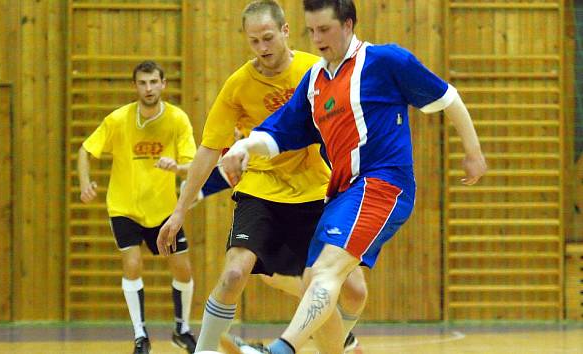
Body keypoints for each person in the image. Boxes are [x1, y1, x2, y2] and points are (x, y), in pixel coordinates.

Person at [219, 0, 488, 353]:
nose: (317, 39)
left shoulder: (386, 61)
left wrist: (473, 153)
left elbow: (447, 98)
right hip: (342, 193)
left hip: (383, 183)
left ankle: (279, 351)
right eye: (311, 30)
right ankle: (341, 348)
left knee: (326, 272)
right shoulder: (315, 79)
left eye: (325, 30)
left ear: (348, 25)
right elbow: (281, 130)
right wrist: (244, 148)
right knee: (319, 281)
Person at [156, 1, 368, 353]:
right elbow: (209, 149)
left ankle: (338, 341)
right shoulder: (239, 85)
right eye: (253, 41)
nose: (262, 48)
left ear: (285, 31)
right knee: (234, 274)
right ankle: (206, 349)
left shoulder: (314, 71)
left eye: (268, 38)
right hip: (261, 190)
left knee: (354, 291)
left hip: (316, 191)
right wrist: (179, 211)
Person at [78, 60, 198, 354]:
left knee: (182, 269)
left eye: (153, 82)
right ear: (135, 86)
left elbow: (194, 165)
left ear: (163, 84)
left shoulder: (177, 119)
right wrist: (85, 183)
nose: (148, 88)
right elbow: (85, 150)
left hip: (164, 210)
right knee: (132, 264)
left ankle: (181, 329)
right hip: (124, 207)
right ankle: (140, 336)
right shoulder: (118, 120)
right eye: (142, 83)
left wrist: (177, 167)